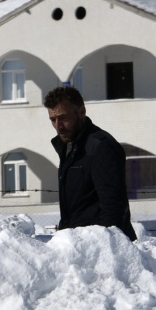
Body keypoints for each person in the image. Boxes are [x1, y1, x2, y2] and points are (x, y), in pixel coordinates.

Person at [45, 85, 136, 240]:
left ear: (81, 112)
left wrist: (104, 249)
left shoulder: (101, 147)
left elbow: (113, 207)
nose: (58, 126)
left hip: (100, 248)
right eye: (53, 119)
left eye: (64, 118)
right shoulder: (69, 148)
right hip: (79, 246)